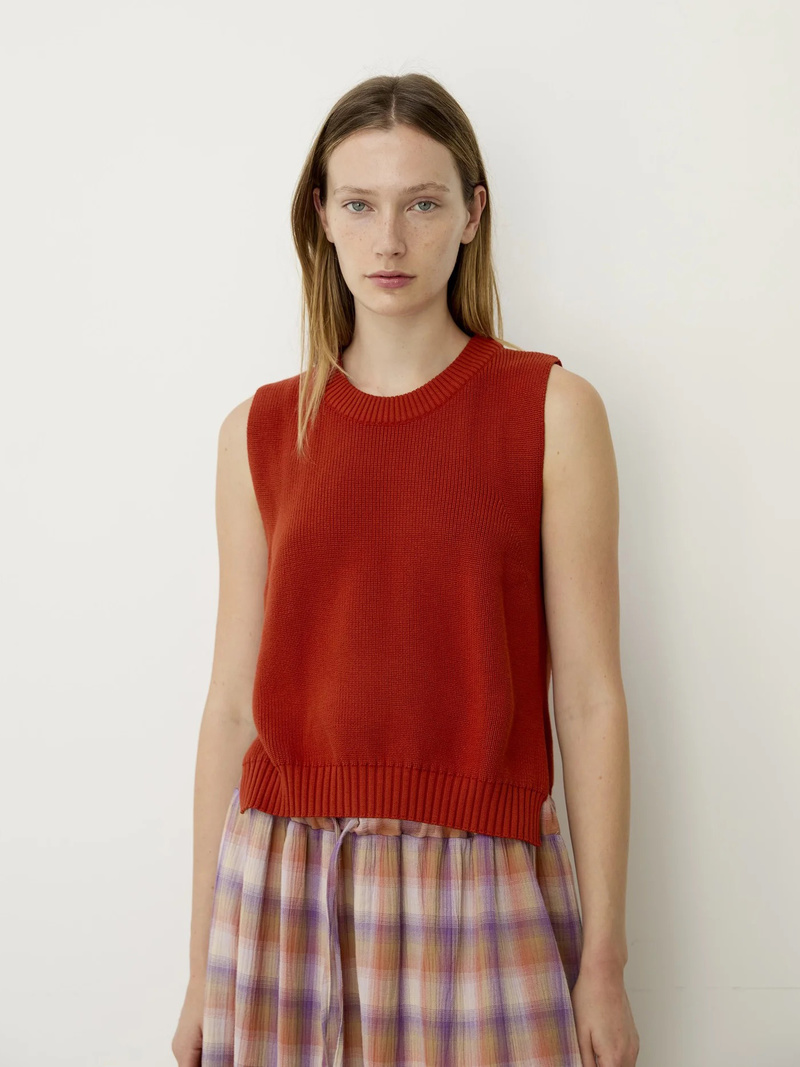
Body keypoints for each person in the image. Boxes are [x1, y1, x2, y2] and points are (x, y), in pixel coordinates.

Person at [172, 72, 639, 1067]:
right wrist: (200, 964)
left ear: (472, 214)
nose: (389, 238)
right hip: (283, 884)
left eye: (422, 203)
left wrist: (604, 956)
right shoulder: (258, 430)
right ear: (321, 217)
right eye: (360, 204)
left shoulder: (552, 412)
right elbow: (230, 707)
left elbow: (590, 695)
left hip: (483, 880)